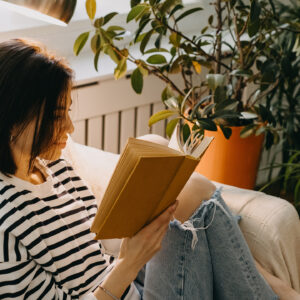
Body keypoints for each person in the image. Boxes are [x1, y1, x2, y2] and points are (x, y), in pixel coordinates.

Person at [0, 39, 296, 300]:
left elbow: (96, 251)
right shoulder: (7, 227)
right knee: (194, 212)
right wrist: (128, 264)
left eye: (68, 113)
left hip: (126, 285)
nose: (69, 128)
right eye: (55, 116)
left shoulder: (56, 167)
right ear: (12, 118)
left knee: (182, 195)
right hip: (120, 285)